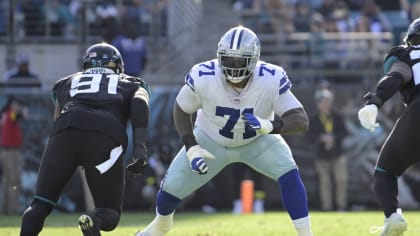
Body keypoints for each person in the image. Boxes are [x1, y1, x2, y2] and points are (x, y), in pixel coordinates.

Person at [136, 25, 313, 236]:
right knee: (169, 190)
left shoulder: (270, 78)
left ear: (254, 59)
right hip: (210, 140)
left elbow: (300, 119)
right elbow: (181, 108)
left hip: (257, 141)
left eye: (240, 61)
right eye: (228, 60)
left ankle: (306, 234)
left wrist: (271, 126)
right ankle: (159, 227)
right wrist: (191, 147)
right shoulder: (205, 76)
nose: (233, 66)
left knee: (289, 172)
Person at [19, 42, 150, 236]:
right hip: (105, 134)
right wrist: (140, 148)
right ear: (117, 66)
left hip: (65, 131)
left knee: (40, 205)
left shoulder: (65, 82)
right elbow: (140, 102)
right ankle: (93, 219)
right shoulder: (130, 82)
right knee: (109, 213)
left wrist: (65, 150)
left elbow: (57, 118)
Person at [357, 17, 420, 236]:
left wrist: (375, 102)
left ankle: (393, 217)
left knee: (385, 172)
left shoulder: (407, 55)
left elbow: (397, 75)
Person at [307, 88, 348, 211]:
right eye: (323, 102)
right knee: (324, 183)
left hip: (337, 154)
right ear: (318, 103)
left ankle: (341, 206)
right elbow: (309, 137)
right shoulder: (313, 119)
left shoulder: (337, 116)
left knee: (341, 180)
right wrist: (321, 138)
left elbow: (344, 132)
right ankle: (327, 208)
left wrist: (333, 137)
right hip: (321, 156)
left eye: (328, 101)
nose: (325, 104)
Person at [0, 95, 28, 214]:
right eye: (16, 105)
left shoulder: (5, 114)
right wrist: (24, 112)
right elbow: (17, 116)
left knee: (8, 181)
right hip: (10, 152)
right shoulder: (9, 114)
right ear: (11, 105)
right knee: (13, 181)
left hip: (9, 152)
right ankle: (12, 209)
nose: (18, 107)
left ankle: (7, 208)